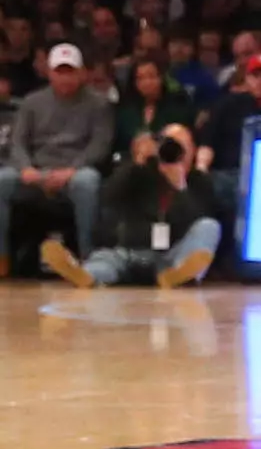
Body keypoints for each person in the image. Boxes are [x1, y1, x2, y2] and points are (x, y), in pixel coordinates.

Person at [53, 124, 220, 289]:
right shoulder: (141, 171)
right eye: (171, 145)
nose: (177, 153)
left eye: (183, 147)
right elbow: (110, 196)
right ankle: (85, 274)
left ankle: (181, 276)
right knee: (106, 260)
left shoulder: (200, 181)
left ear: (193, 150)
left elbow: (198, 220)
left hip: (170, 257)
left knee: (210, 226)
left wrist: (180, 186)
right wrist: (138, 161)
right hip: (130, 251)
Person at [2, 44, 113, 270]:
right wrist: (25, 169)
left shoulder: (99, 104)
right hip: (36, 172)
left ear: (82, 73)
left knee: (87, 181)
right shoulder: (31, 102)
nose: (65, 78)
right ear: (49, 73)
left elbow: (100, 146)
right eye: (59, 71)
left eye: (70, 71)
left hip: (74, 172)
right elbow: (18, 142)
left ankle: (88, 259)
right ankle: (2, 256)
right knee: (2, 180)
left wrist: (71, 170)